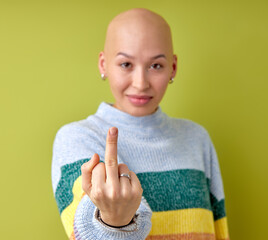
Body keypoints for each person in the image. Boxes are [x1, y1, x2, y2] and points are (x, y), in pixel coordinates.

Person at [52, 8, 229, 240]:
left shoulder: (197, 138)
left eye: (156, 66)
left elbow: (218, 230)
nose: (141, 83)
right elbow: (85, 234)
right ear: (104, 65)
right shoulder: (77, 138)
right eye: (126, 64)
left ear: (173, 68)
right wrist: (113, 221)